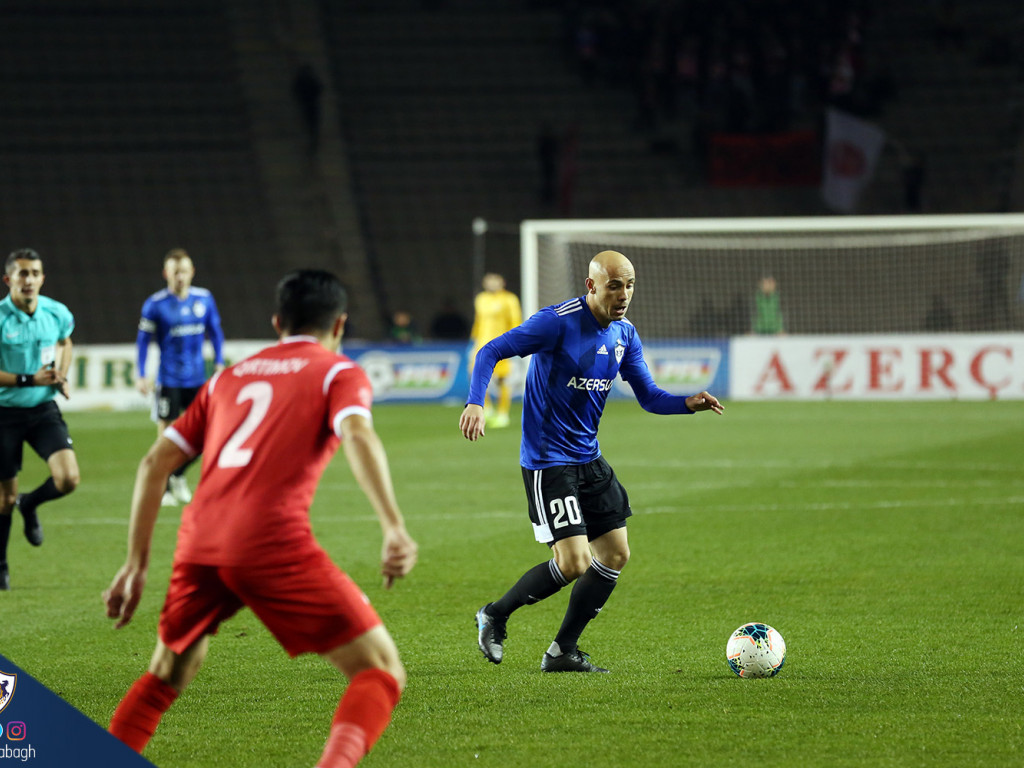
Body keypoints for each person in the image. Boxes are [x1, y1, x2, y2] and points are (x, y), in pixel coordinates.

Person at [104, 269, 417, 767]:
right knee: (380, 671)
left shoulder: (227, 378)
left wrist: (136, 564)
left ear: (277, 322)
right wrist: (393, 524)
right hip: (269, 542)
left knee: (168, 672)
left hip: (199, 543)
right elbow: (357, 434)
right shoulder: (337, 372)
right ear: (339, 324)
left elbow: (153, 464)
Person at [460, 251, 723, 672]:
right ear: (592, 286)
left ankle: (562, 651)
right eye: (615, 285)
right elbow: (491, 350)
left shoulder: (625, 334)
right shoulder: (555, 322)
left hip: (589, 457)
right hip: (548, 461)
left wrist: (686, 403)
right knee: (574, 562)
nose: (624, 294)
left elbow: (649, 397)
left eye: (630, 285)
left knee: (615, 554)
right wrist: (476, 402)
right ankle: (494, 614)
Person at [0, 248, 79, 591]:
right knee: (4, 498)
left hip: (43, 409)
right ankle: (1, 564)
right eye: (22, 273)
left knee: (68, 479)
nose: (29, 279)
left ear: (42, 278)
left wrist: (61, 374)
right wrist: (29, 379)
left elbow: (65, 342)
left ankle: (30, 504)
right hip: (4, 414)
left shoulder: (56, 312)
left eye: (34, 273)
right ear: (9, 279)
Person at [135, 249, 225, 506]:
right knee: (166, 437)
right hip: (168, 380)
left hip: (197, 379)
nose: (180, 277)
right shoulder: (155, 304)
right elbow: (143, 342)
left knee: (207, 435)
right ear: (166, 274)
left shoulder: (204, 299)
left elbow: (215, 332)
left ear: (192, 272)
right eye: (175, 272)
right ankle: (163, 488)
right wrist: (141, 374)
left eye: (184, 271)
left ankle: (177, 474)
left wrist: (219, 361)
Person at [470, 273, 522, 428]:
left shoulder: (509, 299)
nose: (491, 284)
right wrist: (473, 340)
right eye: (489, 281)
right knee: (477, 376)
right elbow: (478, 321)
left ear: (502, 283)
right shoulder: (481, 299)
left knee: (502, 379)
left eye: (495, 281)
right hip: (481, 344)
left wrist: (514, 342)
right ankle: (488, 409)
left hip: (501, 345)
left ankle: (503, 414)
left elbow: (515, 321)